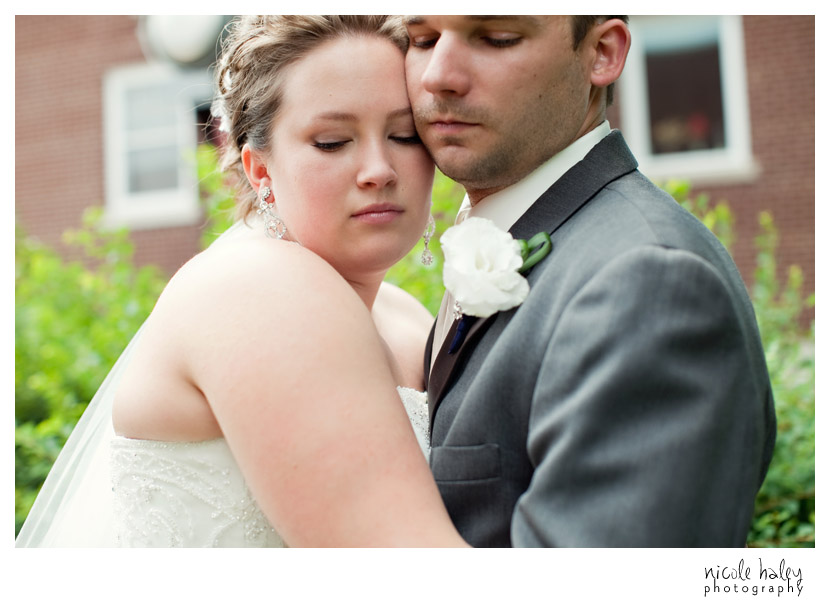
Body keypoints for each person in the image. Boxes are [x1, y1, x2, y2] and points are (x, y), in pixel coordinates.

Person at [16, 15, 467, 548]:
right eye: (331, 141)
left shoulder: (405, 319)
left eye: (404, 135)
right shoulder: (259, 288)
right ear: (259, 170)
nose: (379, 169)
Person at [405, 15, 777, 546]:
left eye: (497, 38)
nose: (437, 75)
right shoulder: (523, 234)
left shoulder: (650, 282)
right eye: (422, 40)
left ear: (602, 52)